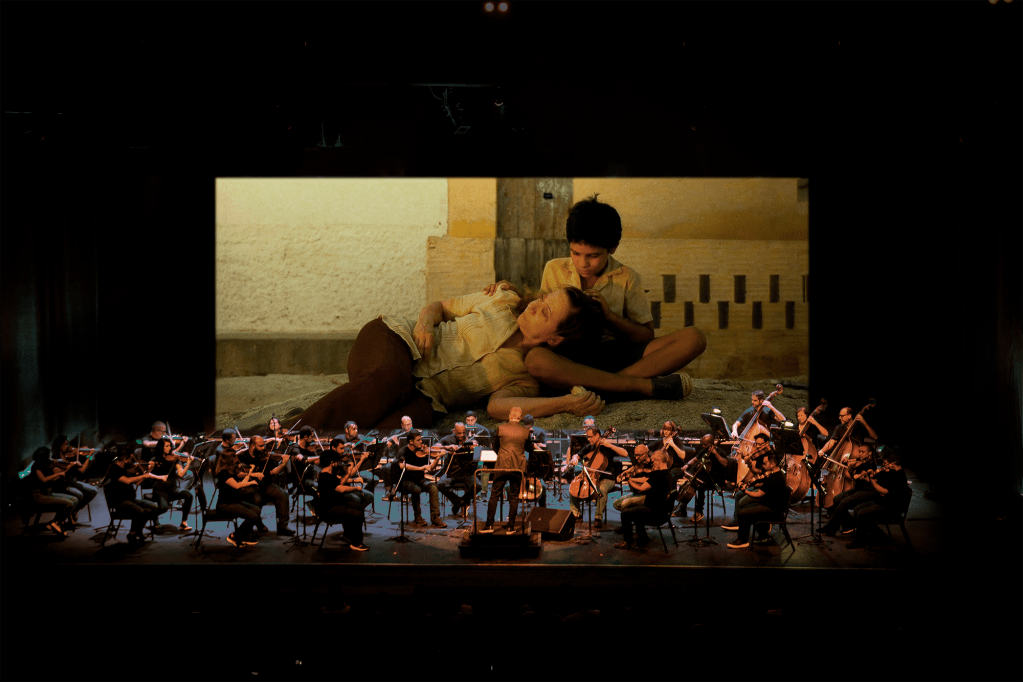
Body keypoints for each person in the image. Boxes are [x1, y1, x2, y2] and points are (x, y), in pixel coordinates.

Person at [289, 285, 606, 431]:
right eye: (543, 298)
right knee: (391, 380)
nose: (535, 305)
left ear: (556, 339)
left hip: (424, 395)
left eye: (545, 312)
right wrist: (425, 322)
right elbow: (440, 306)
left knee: (409, 424)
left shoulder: (526, 378)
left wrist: (566, 403)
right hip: (395, 343)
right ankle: (280, 436)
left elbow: (497, 408)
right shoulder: (502, 298)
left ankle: (304, 425)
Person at [485, 194, 707, 402]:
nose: (583, 263)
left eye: (593, 256)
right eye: (575, 253)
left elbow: (646, 336)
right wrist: (510, 292)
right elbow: (538, 315)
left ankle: (608, 387)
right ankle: (627, 386)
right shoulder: (554, 269)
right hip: (568, 359)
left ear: (613, 248)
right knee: (536, 360)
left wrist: (609, 317)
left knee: (694, 338)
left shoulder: (627, 278)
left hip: (612, 355)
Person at [480, 407, 529, 534]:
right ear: (520, 418)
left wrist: (503, 455)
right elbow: (529, 448)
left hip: (502, 465)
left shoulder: (501, 428)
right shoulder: (525, 431)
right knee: (514, 497)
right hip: (517, 467)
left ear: (509, 416)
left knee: (494, 495)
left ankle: (489, 526)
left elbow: (495, 447)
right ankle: (510, 527)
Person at [726, 451, 788, 549]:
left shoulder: (774, 478)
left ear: (772, 464)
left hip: (772, 510)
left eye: (765, 463)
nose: (763, 465)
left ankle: (743, 540)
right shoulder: (777, 474)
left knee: (743, 513)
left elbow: (759, 494)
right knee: (748, 508)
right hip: (773, 506)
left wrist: (745, 491)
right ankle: (763, 536)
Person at [567, 426, 627, 529]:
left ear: (597, 435)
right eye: (587, 437)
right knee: (574, 487)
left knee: (601, 489)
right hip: (590, 476)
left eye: (590, 437)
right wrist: (574, 458)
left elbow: (625, 453)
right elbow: (577, 455)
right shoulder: (588, 447)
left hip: (607, 479)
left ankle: (598, 518)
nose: (588, 439)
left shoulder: (608, 447)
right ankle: (576, 514)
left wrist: (610, 445)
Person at [614, 448, 672, 549]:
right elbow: (648, 481)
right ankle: (643, 537)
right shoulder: (667, 474)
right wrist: (632, 478)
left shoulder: (658, 475)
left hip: (654, 511)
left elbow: (641, 488)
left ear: (659, 461)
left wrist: (628, 480)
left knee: (625, 513)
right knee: (636, 510)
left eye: (653, 461)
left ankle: (627, 542)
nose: (652, 464)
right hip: (662, 511)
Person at [238, 435, 294, 536]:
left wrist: (283, 464)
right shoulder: (242, 457)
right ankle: (257, 523)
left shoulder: (265, 456)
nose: (263, 448)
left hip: (266, 485)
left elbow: (273, 472)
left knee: (283, 494)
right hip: (250, 487)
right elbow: (238, 474)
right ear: (252, 446)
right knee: (257, 500)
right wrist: (253, 474)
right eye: (260, 446)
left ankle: (282, 526)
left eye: (263, 445)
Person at [316, 448, 370, 551]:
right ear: (332, 462)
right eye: (337, 461)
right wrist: (356, 488)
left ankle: (348, 536)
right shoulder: (325, 476)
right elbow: (341, 489)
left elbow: (340, 482)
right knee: (357, 514)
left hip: (336, 505)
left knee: (358, 507)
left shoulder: (328, 474)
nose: (338, 463)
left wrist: (348, 473)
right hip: (330, 509)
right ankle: (356, 543)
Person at [103, 450, 161, 544]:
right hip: (120, 502)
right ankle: (132, 533)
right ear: (125, 460)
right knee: (141, 511)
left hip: (131, 500)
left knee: (153, 508)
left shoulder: (125, 469)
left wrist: (149, 471)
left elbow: (137, 482)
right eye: (130, 460)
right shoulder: (115, 469)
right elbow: (127, 481)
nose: (132, 462)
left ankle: (138, 531)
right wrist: (144, 476)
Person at [393, 430, 446, 528]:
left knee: (433, 488)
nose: (421, 442)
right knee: (416, 490)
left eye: (421, 439)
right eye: (418, 440)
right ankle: (418, 517)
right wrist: (420, 468)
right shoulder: (403, 451)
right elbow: (402, 466)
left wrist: (438, 457)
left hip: (419, 479)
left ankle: (435, 517)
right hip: (405, 480)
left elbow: (430, 468)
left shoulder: (422, 452)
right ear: (411, 441)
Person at [214, 447, 261, 547]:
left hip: (234, 501)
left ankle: (244, 536)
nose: (237, 460)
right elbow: (236, 486)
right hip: (225, 504)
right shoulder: (223, 473)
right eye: (234, 458)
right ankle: (234, 536)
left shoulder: (232, 472)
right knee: (253, 516)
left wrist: (250, 472)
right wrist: (251, 482)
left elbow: (242, 483)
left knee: (256, 510)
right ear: (229, 460)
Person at [27, 447, 76, 537]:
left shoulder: (45, 465)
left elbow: (52, 480)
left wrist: (65, 471)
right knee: (69, 503)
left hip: (47, 493)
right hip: (39, 496)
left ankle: (56, 522)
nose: (51, 458)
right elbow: (44, 480)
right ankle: (56, 523)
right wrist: (58, 474)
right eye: (48, 456)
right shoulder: (36, 467)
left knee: (74, 499)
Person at [148, 437, 195, 532]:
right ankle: (153, 516)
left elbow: (181, 474)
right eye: (167, 446)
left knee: (188, 495)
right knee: (164, 508)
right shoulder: (155, 459)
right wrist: (150, 468)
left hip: (173, 488)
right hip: (160, 488)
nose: (169, 448)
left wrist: (188, 463)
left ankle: (184, 522)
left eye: (170, 446)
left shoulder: (174, 459)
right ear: (161, 447)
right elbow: (148, 475)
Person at [50, 435, 98, 524]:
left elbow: (82, 470)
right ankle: (65, 516)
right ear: (58, 446)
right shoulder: (55, 458)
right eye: (64, 444)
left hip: (73, 482)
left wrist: (89, 457)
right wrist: (70, 465)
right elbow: (58, 474)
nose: (67, 446)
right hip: (63, 485)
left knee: (93, 491)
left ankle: (74, 511)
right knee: (79, 494)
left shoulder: (69, 456)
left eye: (67, 444)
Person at [435, 422, 480, 516]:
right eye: (459, 433)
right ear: (454, 431)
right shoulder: (448, 439)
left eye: (463, 432)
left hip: (467, 472)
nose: (462, 435)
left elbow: (476, 445)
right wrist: (447, 447)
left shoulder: (469, 439)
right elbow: (435, 446)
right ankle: (458, 501)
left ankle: (463, 501)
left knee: (478, 486)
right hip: (452, 473)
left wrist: (473, 446)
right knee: (440, 484)